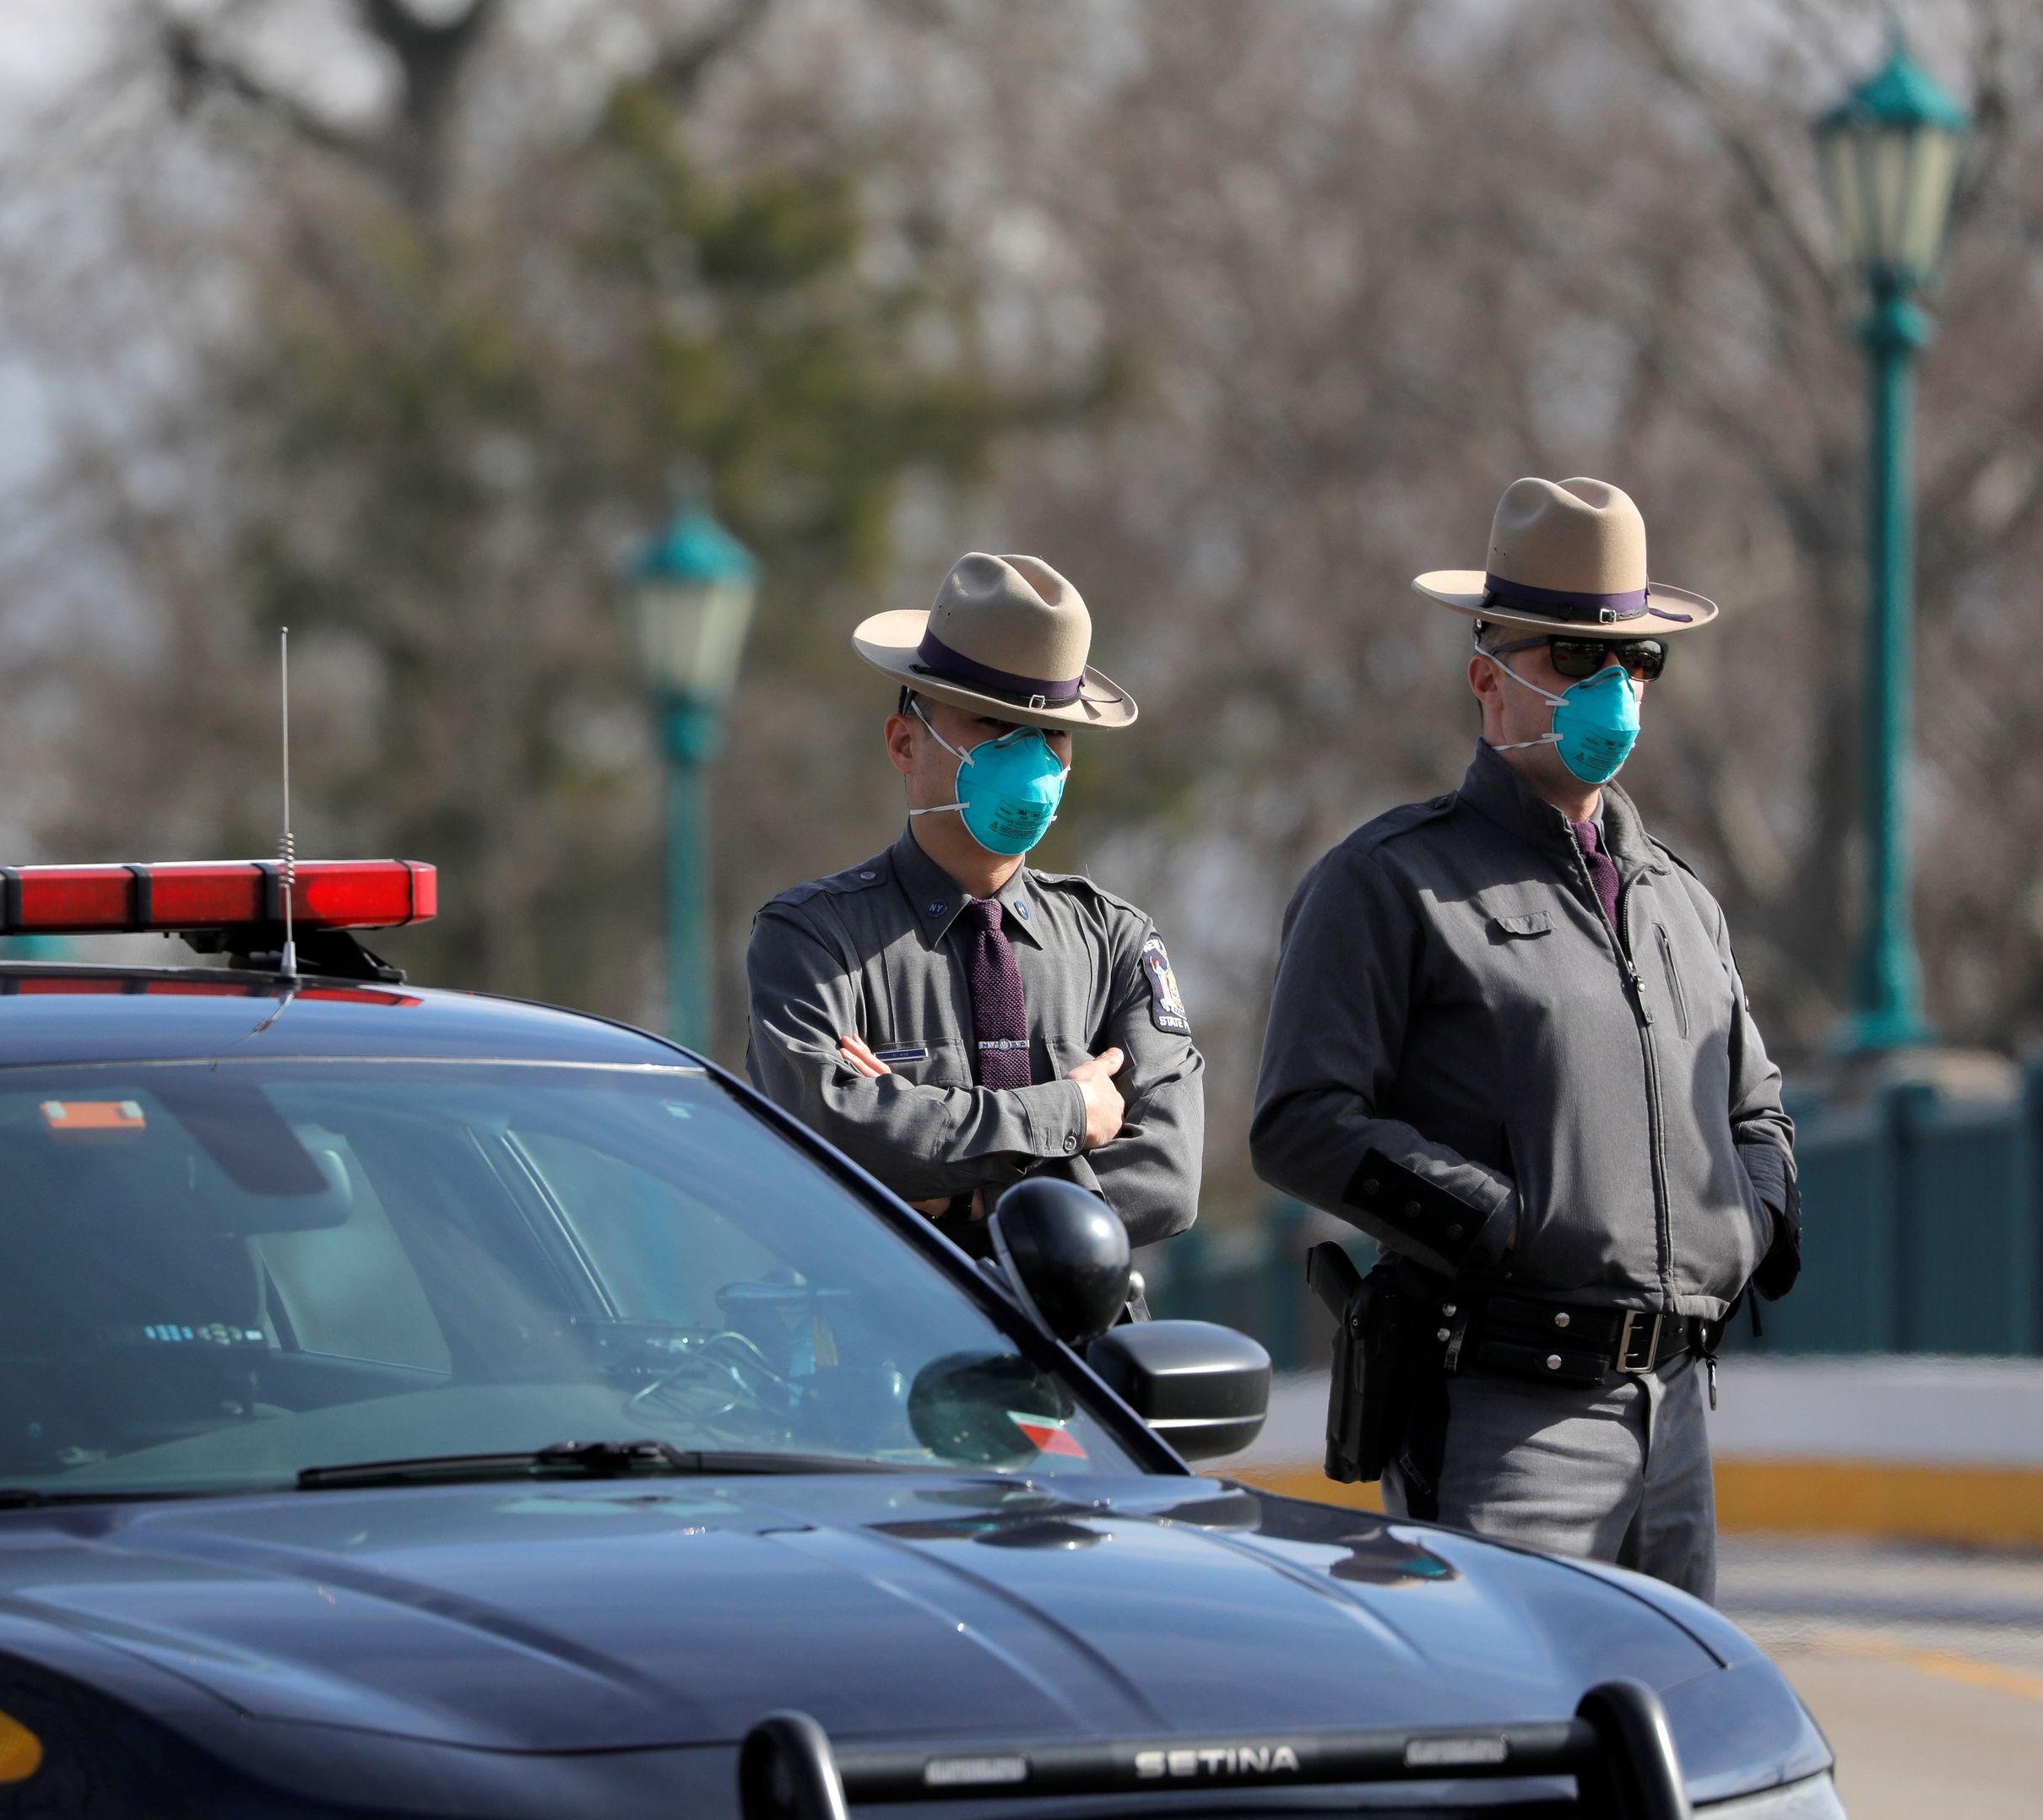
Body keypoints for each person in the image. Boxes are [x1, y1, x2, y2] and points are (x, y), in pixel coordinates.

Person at [1251, 476, 1801, 1600]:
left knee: (1673, 1748)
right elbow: (1301, 1121)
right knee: (1510, 1730)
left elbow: (1758, 1109)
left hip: (1678, 1415)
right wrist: (1503, 1225)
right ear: (1486, 680)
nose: (1613, 688)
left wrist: (1747, 1225)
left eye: (1638, 661)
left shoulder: (1680, 901)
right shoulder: (1391, 881)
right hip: (1505, 1410)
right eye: (1571, 657)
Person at [745, 551, 1202, 1257]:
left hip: (1077, 1357)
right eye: (992, 724)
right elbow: (833, 1128)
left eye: (1051, 733)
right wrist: (1069, 1113)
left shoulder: (1112, 939)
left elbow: (1168, 1176)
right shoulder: (815, 939)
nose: (1033, 760)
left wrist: (963, 1195)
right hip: (892, 1346)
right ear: (904, 742)